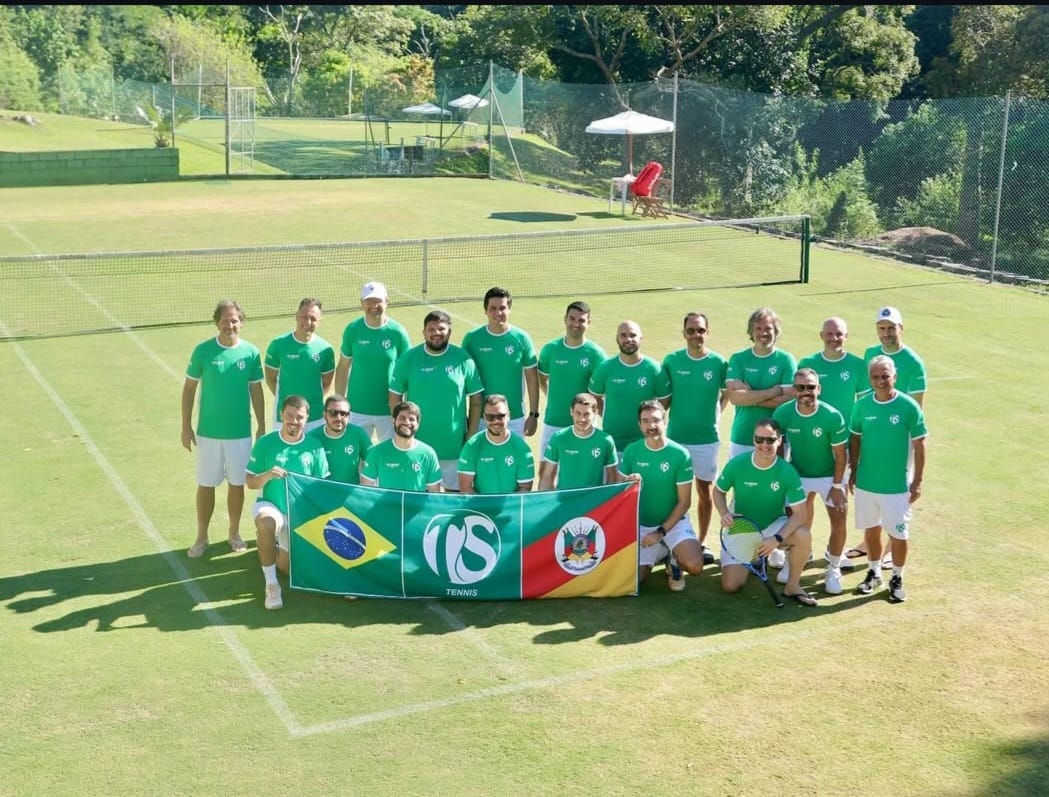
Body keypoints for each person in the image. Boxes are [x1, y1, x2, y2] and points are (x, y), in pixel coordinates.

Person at [181, 299, 266, 559]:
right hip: (208, 434)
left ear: (241, 322)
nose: (230, 325)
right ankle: (202, 536)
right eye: (226, 320)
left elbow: (256, 391)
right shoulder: (203, 351)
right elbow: (189, 388)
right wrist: (186, 426)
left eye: (235, 320)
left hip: (240, 434)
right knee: (206, 484)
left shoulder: (251, 353)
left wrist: (261, 427)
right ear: (217, 322)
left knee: (237, 484)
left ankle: (234, 533)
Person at [847, 306, 928, 564]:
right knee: (873, 489)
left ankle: (893, 547)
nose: (886, 333)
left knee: (897, 492)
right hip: (874, 428)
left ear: (901, 329)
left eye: (891, 328)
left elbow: (917, 407)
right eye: (882, 328)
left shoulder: (913, 362)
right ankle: (869, 543)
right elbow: (864, 394)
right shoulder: (871, 354)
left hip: (900, 436)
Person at [849, 355, 928, 603]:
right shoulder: (862, 405)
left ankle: (897, 576)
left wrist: (918, 481)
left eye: (885, 376)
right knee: (871, 531)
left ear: (894, 377)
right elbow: (855, 438)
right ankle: (873, 573)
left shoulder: (908, 406)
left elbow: (920, 444)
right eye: (876, 376)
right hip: (866, 483)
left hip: (897, 486)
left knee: (899, 534)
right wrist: (853, 471)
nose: (881, 380)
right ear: (869, 378)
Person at [713, 418, 816, 606]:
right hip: (741, 528)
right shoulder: (737, 464)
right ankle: (754, 558)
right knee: (731, 586)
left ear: (779, 440)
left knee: (803, 535)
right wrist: (724, 512)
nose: (764, 445)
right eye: (759, 439)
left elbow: (800, 514)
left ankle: (792, 586)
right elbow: (718, 491)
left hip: (772, 526)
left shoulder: (787, 471)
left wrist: (776, 538)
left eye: (770, 440)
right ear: (753, 440)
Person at [244, 395, 330, 610]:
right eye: (289, 415)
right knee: (266, 524)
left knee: (288, 569)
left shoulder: (314, 447)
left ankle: (270, 548)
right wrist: (267, 475)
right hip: (271, 506)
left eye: (299, 417)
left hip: (300, 514)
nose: (293, 421)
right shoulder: (266, 443)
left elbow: (322, 488)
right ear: (281, 414)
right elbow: (250, 483)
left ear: (307, 418)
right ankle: (271, 585)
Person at [772, 368, 849, 594]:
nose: (806, 392)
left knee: (839, 519)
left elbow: (841, 456)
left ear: (819, 389)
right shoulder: (783, 413)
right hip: (798, 474)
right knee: (794, 522)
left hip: (829, 474)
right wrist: (782, 477)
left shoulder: (832, 416)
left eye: (811, 387)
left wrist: (837, 486)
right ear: (794, 390)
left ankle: (833, 567)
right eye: (801, 387)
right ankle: (793, 560)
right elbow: (778, 448)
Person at [389, 309, 483, 492]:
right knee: (421, 498)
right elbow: (394, 396)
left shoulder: (463, 359)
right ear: (424, 332)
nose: (436, 333)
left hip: (454, 446)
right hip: (418, 445)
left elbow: (477, 400)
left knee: (455, 498)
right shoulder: (409, 358)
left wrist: (471, 433)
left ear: (450, 332)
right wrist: (402, 428)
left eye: (441, 329)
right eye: (431, 329)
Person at [662, 311, 729, 566]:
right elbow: (664, 400)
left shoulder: (718, 363)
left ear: (707, 333)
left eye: (700, 330)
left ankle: (701, 541)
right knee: (673, 493)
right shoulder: (672, 361)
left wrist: (716, 414)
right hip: (676, 439)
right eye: (691, 330)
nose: (696, 335)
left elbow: (727, 393)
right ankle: (670, 540)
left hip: (706, 439)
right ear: (684, 334)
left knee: (705, 491)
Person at [618, 400, 704, 593]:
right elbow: (620, 490)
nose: (651, 426)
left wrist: (660, 532)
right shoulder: (632, 450)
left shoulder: (680, 454)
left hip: (672, 524)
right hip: (642, 525)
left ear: (665, 421)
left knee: (695, 566)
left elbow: (684, 503)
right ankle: (663, 552)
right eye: (645, 421)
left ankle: (674, 558)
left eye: (656, 420)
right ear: (639, 424)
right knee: (633, 582)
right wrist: (629, 482)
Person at [333, 281, 411, 442]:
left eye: (378, 301)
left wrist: (404, 407)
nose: (373, 305)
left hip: (389, 410)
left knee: (391, 456)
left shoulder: (398, 333)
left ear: (387, 302)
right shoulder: (353, 330)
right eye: (368, 301)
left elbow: (408, 372)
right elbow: (343, 367)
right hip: (356, 409)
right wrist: (339, 402)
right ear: (362, 303)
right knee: (356, 459)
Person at [462, 286, 540, 437]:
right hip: (481, 418)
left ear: (509, 309)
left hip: (514, 418)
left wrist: (534, 414)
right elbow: (463, 379)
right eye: (493, 308)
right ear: (485, 310)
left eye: (502, 308)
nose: (498, 313)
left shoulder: (522, 338)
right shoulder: (472, 339)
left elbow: (532, 378)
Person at [537, 300, 607, 460]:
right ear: (565, 319)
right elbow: (542, 379)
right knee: (547, 473)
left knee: (586, 472)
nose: (576, 323)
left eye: (581, 320)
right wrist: (553, 397)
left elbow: (602, 390)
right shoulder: (550, 350)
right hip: (554, 421)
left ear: (589, 322)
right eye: (572, 318)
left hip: (586, 424)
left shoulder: (596, 354)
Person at [725, 306, 797, 460]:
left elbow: (786, 402)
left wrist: (750, 397)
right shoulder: (738, 359)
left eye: (768, 328)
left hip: (776, 440)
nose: (763, 333)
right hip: (742, 437)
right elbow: (735, 398)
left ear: (776, 331)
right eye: (758, 328)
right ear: (751, 332)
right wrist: (772, 392)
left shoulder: (786, 360)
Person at [588, 320, 670, 454]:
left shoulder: (654, 369)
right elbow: (594, 397)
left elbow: (664, 402)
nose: (628, 339)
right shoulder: (605, 368)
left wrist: (649, 422)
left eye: (633, 335)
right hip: (613, 445)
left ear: (641, 338)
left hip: (646, 445)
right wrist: (608, 415)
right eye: (623, 335)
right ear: (617, 339)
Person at [263, 297, 335, 432]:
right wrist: (290, 404)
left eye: (313, 318)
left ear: (320, 320)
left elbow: (327, 383)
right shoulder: (278, 345)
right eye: (304, 317)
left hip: (315, 417)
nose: (308, 322)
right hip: (284, 416)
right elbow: (270, 379)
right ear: (296, 316)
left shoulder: (326, 349)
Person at [538, 392, 618, 491]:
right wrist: (543, 502)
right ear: (571, 412)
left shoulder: (605, 440)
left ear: (595, 413)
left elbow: (612, 478)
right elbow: (547, 475)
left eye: (586, 414)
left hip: (593, 501)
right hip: (565, 500)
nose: (582, 419)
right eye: (578, 413)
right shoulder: (559, 438)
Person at [458, 395, 536, 494]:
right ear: (485, 417)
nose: (496, 421)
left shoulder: (522, 449)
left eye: (501, 416)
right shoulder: (472, 446)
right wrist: (484, 508)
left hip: (511, 507)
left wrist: (507, 509)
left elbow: (524, 488)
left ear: (508, 416)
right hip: (480, 507)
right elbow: (465, 488)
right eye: (491, 417)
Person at [360, 401, 442, 492]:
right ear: (394, 421)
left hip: (415, 506)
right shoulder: (377, 452)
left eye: (411, 419)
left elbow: (434, 492)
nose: (407, 422)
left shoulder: (428, 454)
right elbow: (365, 490)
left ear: (418, 424)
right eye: (402, 418)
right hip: (387, 505)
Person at [307, 394, 372, 485]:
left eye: (343, 413)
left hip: (349, 493)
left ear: (349, 416)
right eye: (333, 413)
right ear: (324, 415)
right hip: (321, 491)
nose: (338, 417)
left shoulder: (359, 434)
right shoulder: (312, 437)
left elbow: (372, 464)